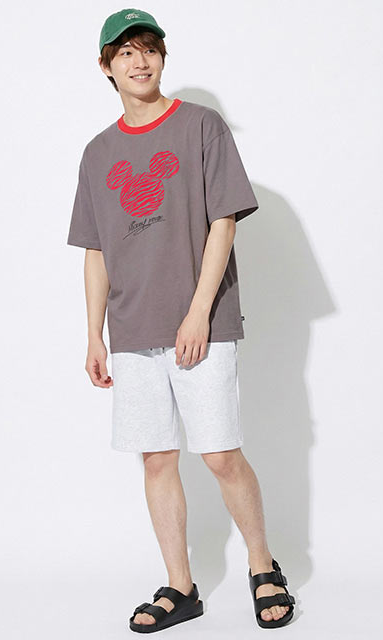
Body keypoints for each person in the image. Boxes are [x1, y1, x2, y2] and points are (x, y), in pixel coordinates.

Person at [67, 8, 296, 633]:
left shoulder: (200, 126)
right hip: (133, 330)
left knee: (219, 454)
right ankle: (181, 585)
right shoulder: (97, 153)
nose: (139, 61)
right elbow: (95, 250)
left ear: (163, 58)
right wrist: (93, 334)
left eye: (149, 49)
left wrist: (198, 312)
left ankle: (262, 566)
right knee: (157, 460)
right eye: (125, 52)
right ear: (106, 66)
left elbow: (223, 222)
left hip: (202, 324)